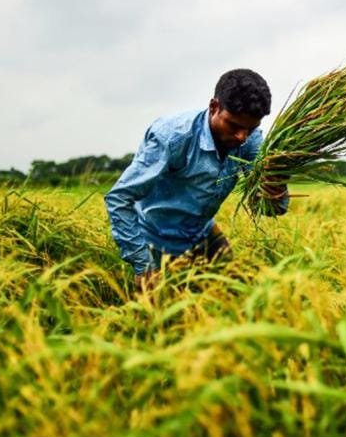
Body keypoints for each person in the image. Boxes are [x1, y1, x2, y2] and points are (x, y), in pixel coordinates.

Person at [105, 69, 289, 288]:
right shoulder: (172, 137)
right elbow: (119, 198)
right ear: (214, 107)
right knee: (162, 315)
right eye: (233, 126)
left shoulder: (251, 139)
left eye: (250, 129)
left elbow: (269, 208)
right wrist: (143, 266)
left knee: (237, 292)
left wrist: (275, 188)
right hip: (156, 239)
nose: (241, 137)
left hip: (202, 232)